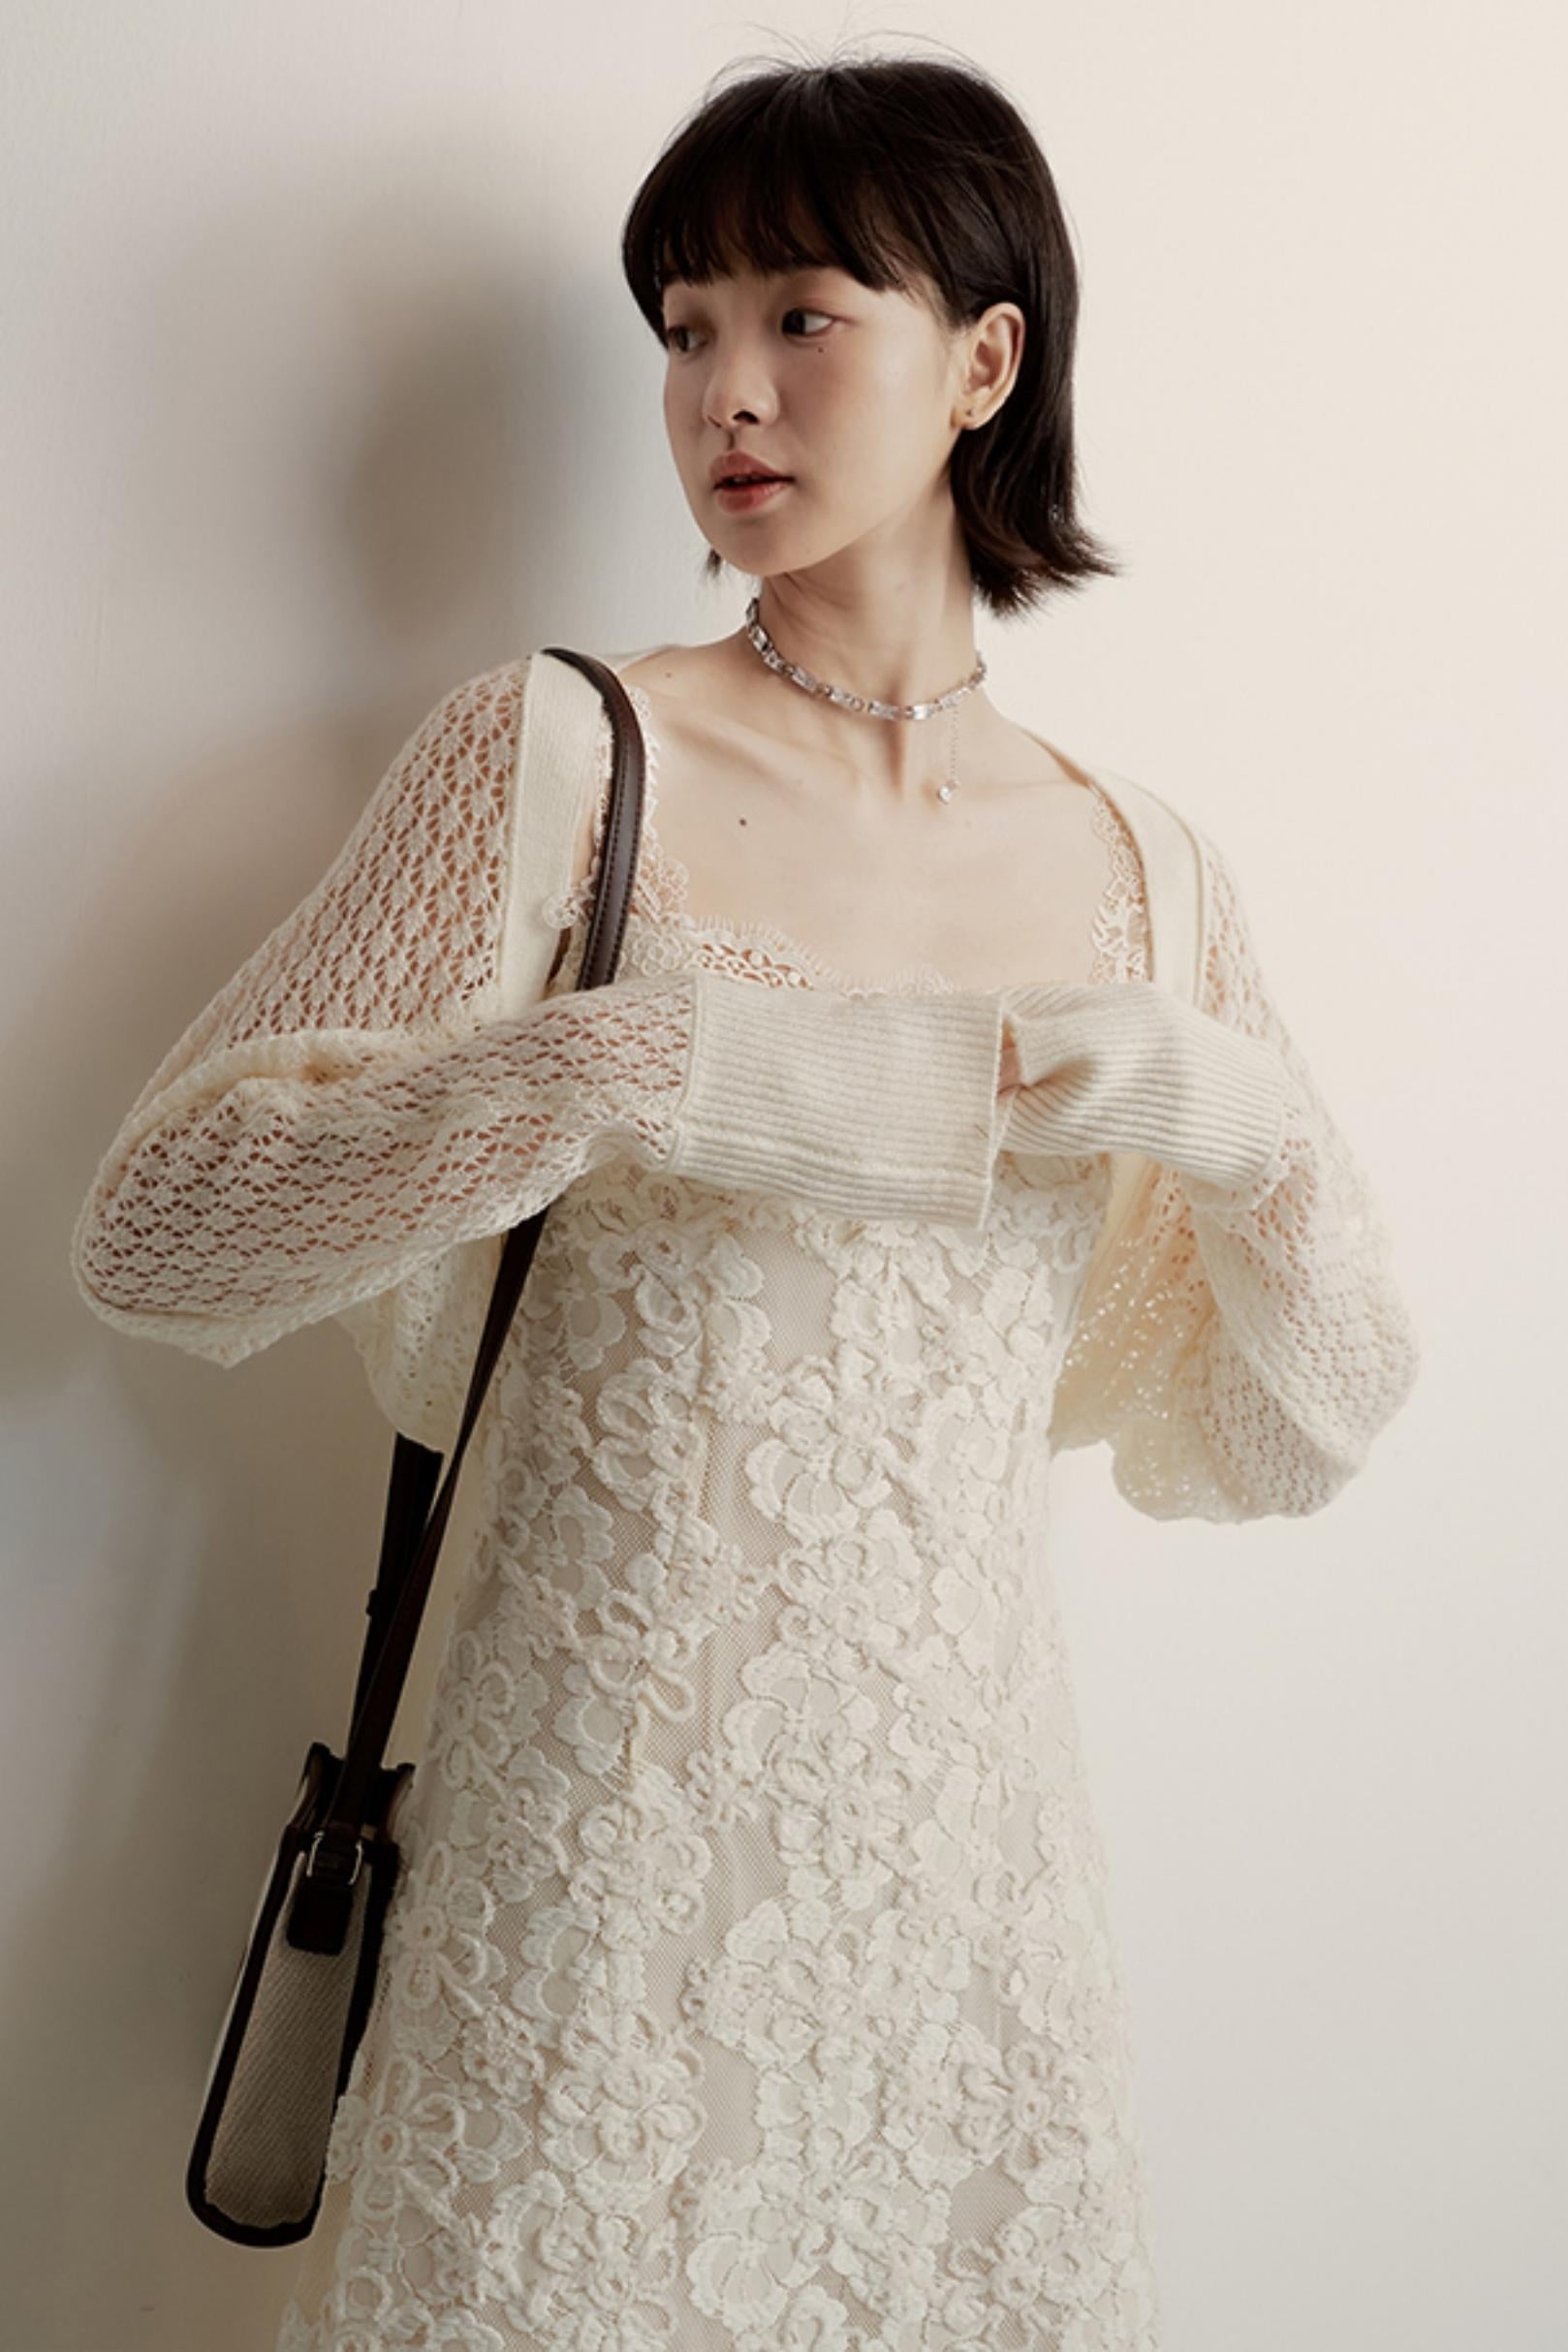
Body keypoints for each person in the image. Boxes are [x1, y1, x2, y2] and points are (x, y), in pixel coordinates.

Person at [69, 47, 1420, 2352]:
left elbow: (1308, 1426)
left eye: (802, 313)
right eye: (684, 325)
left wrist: (1244, 1122)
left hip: (960, 1906)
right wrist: (648, 1061)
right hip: (590, 1876)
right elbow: (162, 1230)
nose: (725, 389)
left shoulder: (1141, 869)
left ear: (981, 362)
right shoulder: (559, 754)